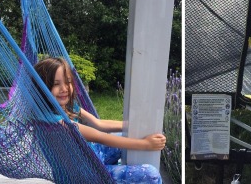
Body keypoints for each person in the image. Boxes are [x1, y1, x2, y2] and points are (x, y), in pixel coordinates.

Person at [34, 57, 165, 182]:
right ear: (42, 88)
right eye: (56, 84)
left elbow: (99, 123)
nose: (64, 88)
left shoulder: (68, 106)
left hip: (93, 156)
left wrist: (131, 126)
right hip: (87, 175)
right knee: (151, 174)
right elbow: (100, 136)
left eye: (68, 81)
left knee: (128, 135)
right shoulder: (56, 124)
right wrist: (146, 144)